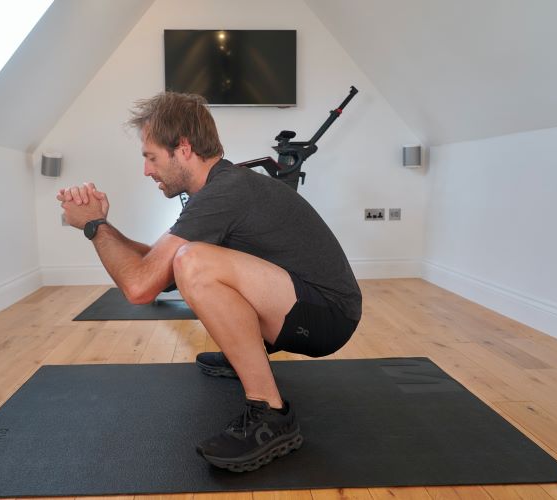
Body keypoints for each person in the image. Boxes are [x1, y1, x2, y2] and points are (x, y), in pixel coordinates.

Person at [57, 92, 362, 472]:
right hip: (301, 306)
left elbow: (140, 288)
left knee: (194, 260)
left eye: (150, 157)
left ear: (182, 148)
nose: (147, 171)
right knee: (185, 259)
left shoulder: (226, 191)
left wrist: (93, 226)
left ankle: (272, 414)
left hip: (327, 316)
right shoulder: (218, 188)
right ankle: (243, 355)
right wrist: (104, 224)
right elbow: (157, 267)